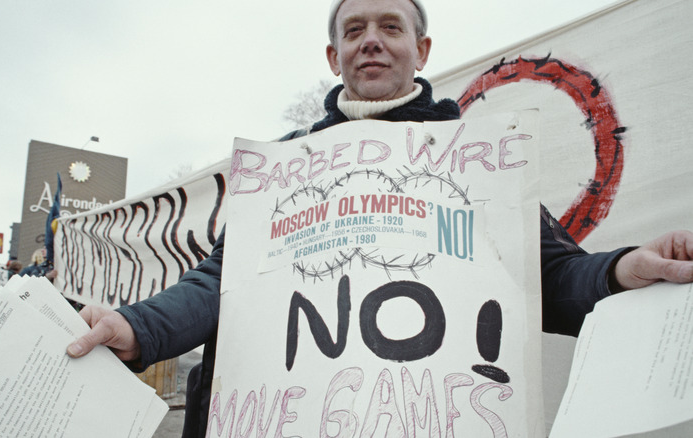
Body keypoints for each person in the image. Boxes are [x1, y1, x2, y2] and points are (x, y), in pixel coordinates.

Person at [67, 0, 693, 435]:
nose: (371, 38)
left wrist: (619, 272)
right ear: (334, 54)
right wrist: (137, 328)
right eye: (355, 28)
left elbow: (551, 278)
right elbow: (219, 283)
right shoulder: (285, 166)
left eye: (390, 26)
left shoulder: (479, 161)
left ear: (420, 50)